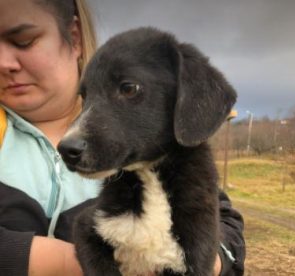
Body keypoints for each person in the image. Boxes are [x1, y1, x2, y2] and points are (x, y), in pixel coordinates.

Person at [0, 0, 245, 275]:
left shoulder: (159, 153)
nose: (3, 62)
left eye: (23, 40)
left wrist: (207, 259)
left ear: (74, 37)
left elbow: (226, 223)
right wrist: (68, 263)